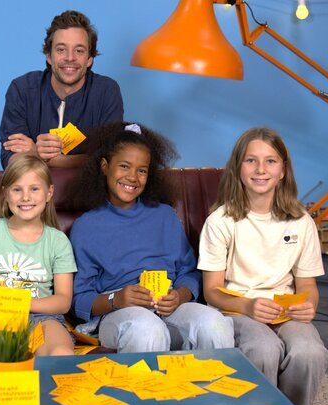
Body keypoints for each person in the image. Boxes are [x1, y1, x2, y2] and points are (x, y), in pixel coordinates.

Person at [198, 127, 328, 405]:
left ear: (283, 170)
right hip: (239, 308)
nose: (261, 170)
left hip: (286, 311)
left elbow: (308, 286)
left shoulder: (301, 221)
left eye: (270, 161)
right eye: (251, 161)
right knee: (263, 349)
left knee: (310, 352)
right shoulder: (221, 220)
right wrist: (247, 305)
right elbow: (212, 290)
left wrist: (309, 305)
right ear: (237, 168)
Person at [69, 121, 234, 355]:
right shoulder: (86, 226)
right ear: (105, 166)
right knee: (147, 329)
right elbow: (79, 299)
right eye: (124, 166)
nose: (133, 177)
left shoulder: (165, 215)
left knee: (213, 324)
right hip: (117, 314)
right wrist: (117, 299)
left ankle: (213, 391)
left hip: (170, 309)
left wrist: (180, 295)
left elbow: (189, 272)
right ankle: (148, 392)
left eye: (142, 170)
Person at [0, 154, 76, 358]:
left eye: (34, 189)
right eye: (17, 189)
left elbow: (63, 300)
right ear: (5, 193)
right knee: (4, 353)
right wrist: (1, 308)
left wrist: (23, 305)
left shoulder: (58, 241)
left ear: (49, 192)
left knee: (61, 353)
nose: (25, 197)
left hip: (43, 317)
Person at [0, 10, 124, 169]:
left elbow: (111, 158)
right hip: (33, 192)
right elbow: (9, 158)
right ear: (49, 56)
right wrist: (37, 154)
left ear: (89, 59)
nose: (70, 57)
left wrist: (45, 157)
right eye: (61, 49)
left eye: (79, 50)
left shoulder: (106, 91)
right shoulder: (22, 89)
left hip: (86, 192)